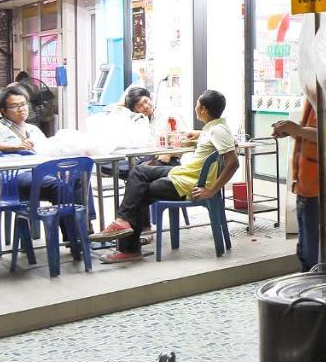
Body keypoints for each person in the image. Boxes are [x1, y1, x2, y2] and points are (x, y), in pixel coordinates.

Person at [90, 90, 240, 263]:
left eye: (198, 104)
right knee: (138, 172)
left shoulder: (217, 131)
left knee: (139, 191)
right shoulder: (215, 128)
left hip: (189, 182)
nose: (195, 107)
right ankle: (123, 222)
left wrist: (212, 190)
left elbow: (233, 163)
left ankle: (129, 246)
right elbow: (229, 141)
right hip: (185, 173)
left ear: (204, 109)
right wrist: (199, 134)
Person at [273, 100, 326, 271]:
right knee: (307, 251)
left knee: (318, 255)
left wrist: (299, 130)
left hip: (325, 189)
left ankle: (322, 291)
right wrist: (293, 130)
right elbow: (315, 134)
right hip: (308, 187)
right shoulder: (314, 95)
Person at [0, 85, 83, 206]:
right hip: (14, 178)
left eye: (24, 104)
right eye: (15, 106)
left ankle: (85, 222)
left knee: (78, 178)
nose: (21, 109)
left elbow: (46, 152)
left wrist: (58, 169)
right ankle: (70, 224)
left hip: (38, 173)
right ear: (3, 110)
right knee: (58, 185)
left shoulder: (33, 129)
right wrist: (16, 146)